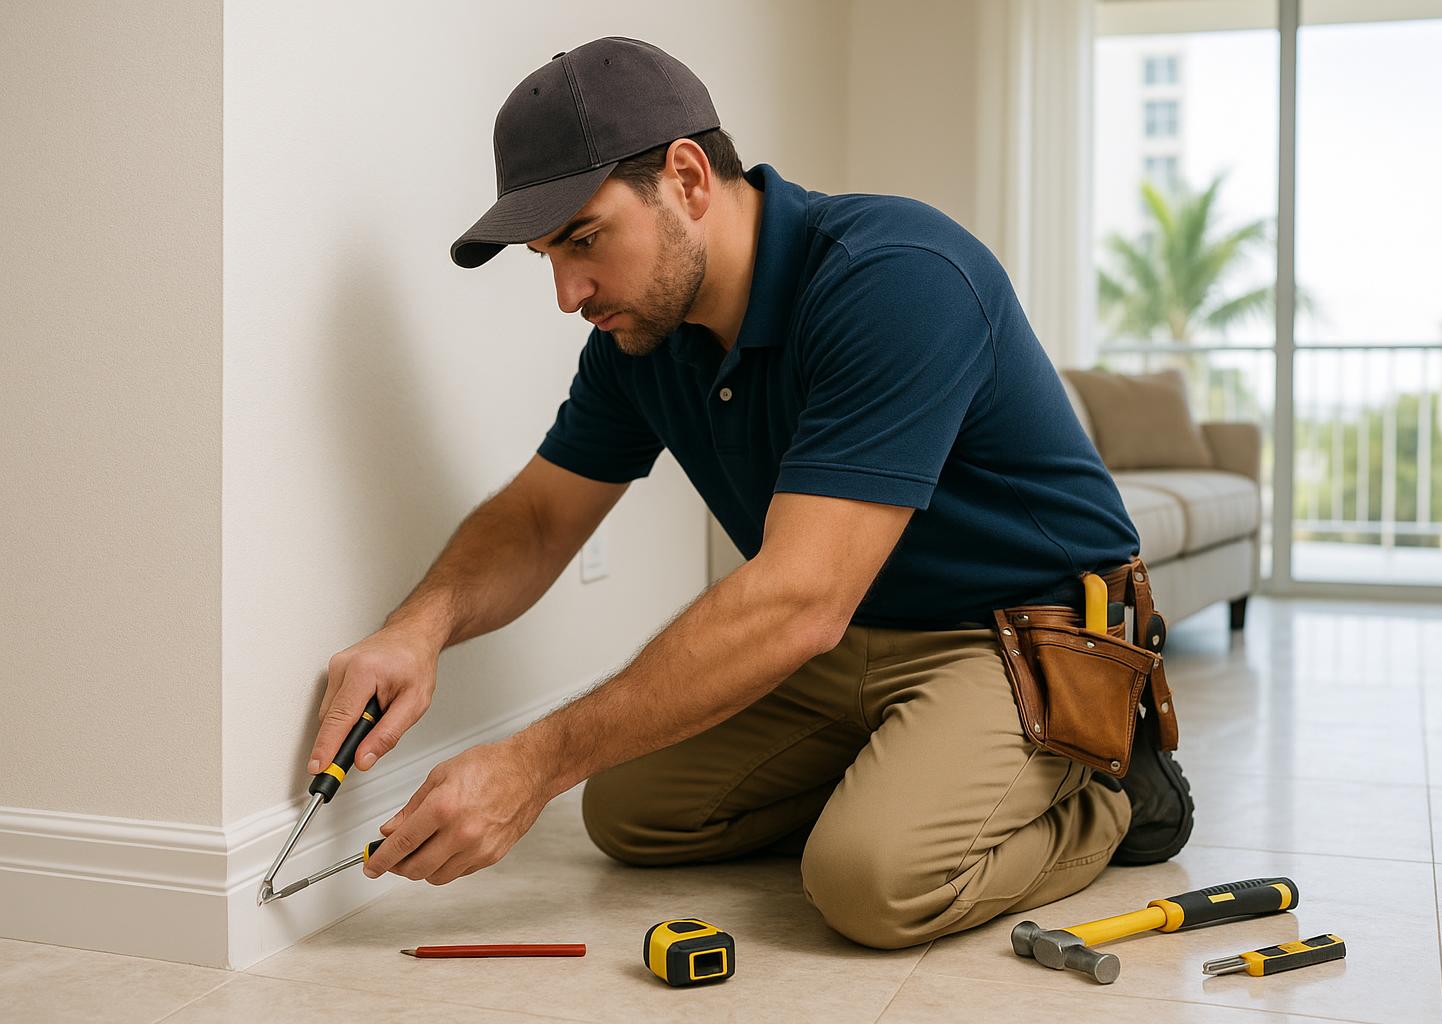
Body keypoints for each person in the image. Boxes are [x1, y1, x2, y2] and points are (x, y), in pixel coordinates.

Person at [306, 36, 1193, 949]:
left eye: (583, 240)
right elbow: (537, 518)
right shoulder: (640, 339)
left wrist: (534, 762)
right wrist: (419, 627)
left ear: (688, 178)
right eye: (547, 257)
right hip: (854, 633)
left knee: (869, 885)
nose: (569, 292)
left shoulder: (894, 277)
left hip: (1023, 634)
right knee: (632, 815)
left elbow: (800, 599)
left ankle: (1108, 790)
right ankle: (903, 775)